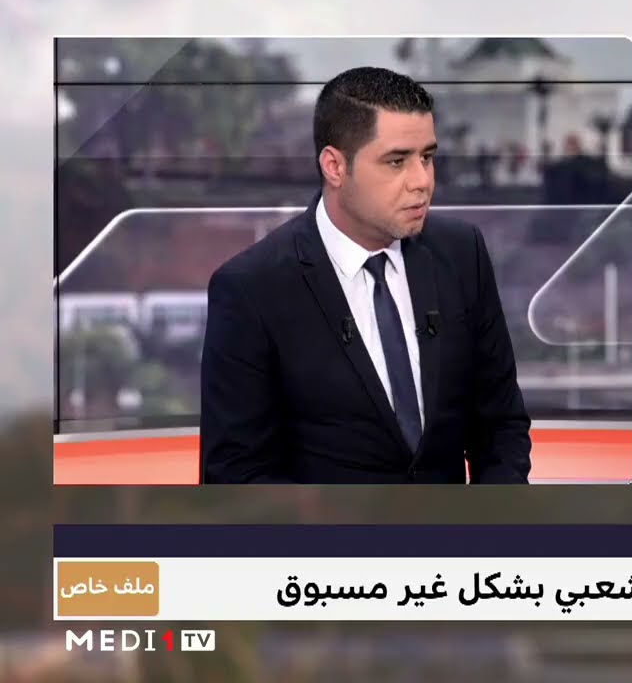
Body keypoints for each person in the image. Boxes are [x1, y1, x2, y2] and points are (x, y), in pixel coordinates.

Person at [201, 66, 531, 484]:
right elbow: (237, 474)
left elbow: (501, 426)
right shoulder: (251, 288)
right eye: (396, 162)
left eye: (427, 157)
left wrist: (495, 520)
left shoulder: (463, 253)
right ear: (335, 167)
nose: (422, 182)